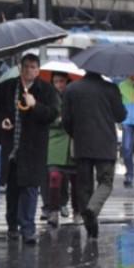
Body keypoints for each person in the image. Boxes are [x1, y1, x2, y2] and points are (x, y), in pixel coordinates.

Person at [0, 53, 59, 244]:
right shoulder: (6, 87)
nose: (29, 70)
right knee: (12, 188)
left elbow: (52, 114)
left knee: (30, 188)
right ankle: (12, 225)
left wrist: (35, 105)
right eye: (26, 66)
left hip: (33, 148)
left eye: (33, 67)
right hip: (12, 145)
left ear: (38, 70)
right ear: (21, 68)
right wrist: (2, 121)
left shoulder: (46, 90)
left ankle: (28, 228)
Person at [62, 71, 127, 239]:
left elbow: (66, 120)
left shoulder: (72, 89)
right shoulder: (111, 88)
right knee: (105, 182)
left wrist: (76, 133)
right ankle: (92, 210)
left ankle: (90, 225)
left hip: (82, 144)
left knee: (84, 186)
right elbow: (121, 115)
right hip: (105, 144)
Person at [45, 72, 79, 228]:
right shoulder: (48, 97)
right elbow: (44, 117)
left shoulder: (74, 96)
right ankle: (53, 211)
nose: (59, 85)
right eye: (56, 81)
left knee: (75, 179)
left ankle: (77, 211)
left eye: (62, 81)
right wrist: (57, 120)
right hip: (55, 142)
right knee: (54, 176)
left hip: (72, 141)